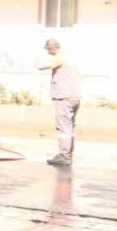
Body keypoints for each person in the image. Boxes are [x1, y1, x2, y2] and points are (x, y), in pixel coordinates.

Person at [39, 38, 82, 167]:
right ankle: (66, 154)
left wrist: (37, 63)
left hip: (65, 98)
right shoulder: (71, 59)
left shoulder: (61, 58)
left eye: (48, 50)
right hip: (74, 98)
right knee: (69, 128)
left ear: (52, 48)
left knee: (64, 129)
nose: (48, 53)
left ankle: (64, 156)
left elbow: (42, 66)